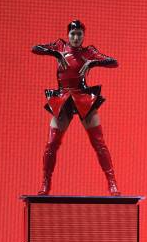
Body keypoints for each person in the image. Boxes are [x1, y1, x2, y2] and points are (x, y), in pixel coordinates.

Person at [32, 20, 120, 195]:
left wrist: (93, 63)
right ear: (68, 35)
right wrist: (57, 55)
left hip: (83, 97)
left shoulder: (89, 52)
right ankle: (45, 184)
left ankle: (112, 183)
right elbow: (35, 48)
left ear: (83, 35)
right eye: (73, 34)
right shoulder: (59, 46)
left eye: (79, 34)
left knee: (99, 143)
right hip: (63, 97)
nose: (76, 37)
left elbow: (114, 62)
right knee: (51, 144)